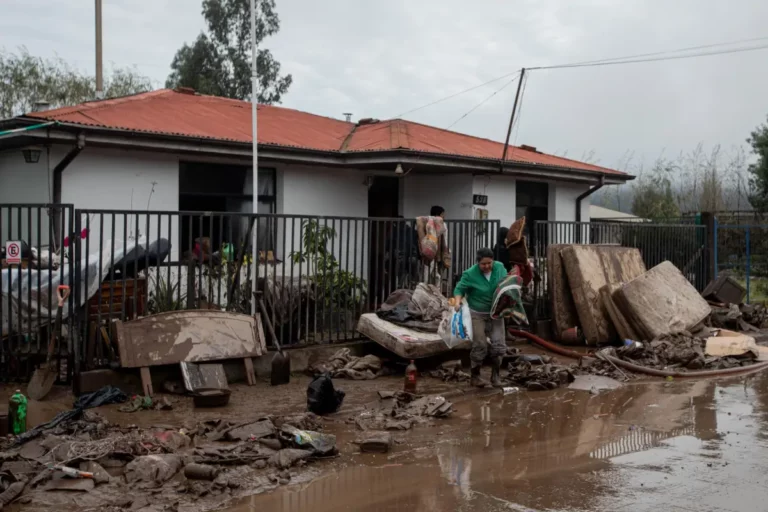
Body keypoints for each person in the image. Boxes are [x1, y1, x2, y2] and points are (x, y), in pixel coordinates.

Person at [453, 248, 507, 388]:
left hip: (497, 312)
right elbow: (459, 289)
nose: (487, 266)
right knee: (480, 344)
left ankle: (495, 375)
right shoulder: (470, 274)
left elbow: (507, 284)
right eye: (483, 264)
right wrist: (457, 301)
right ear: (478, 263)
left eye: (489, 263)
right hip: (477, 313)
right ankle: (475, 376)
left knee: (498, 345)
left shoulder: (500, 267)